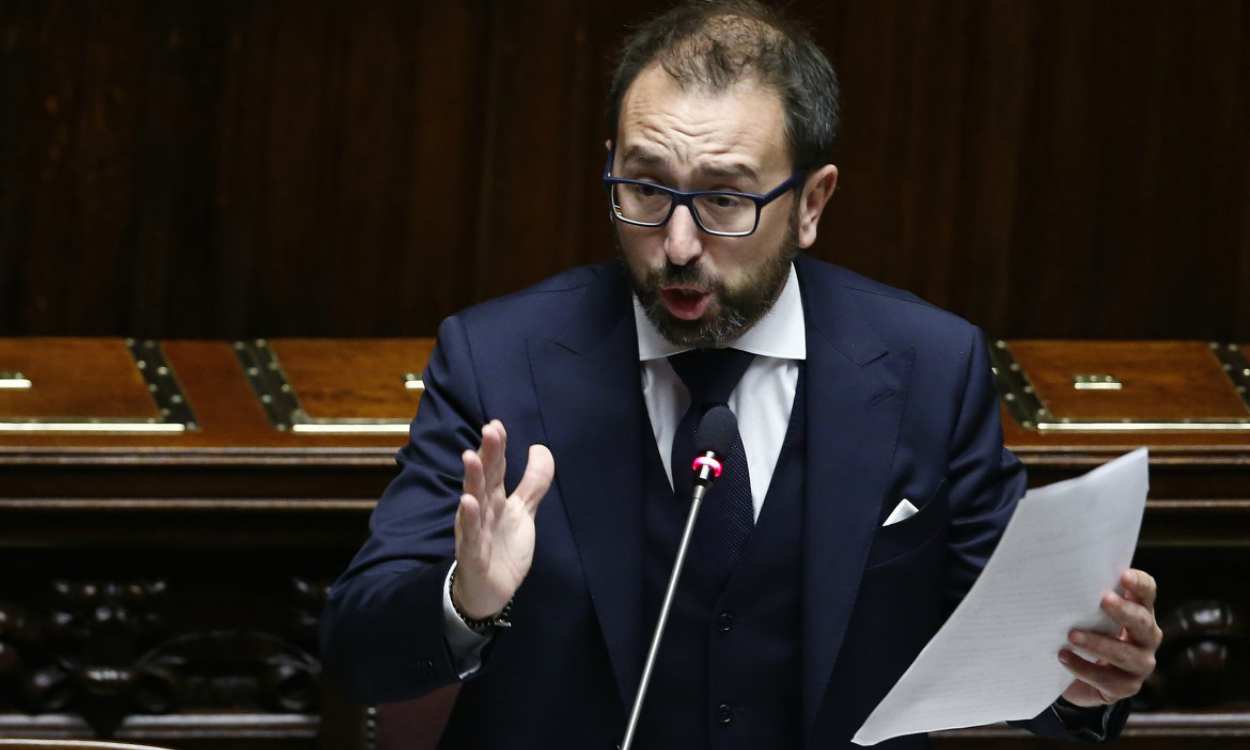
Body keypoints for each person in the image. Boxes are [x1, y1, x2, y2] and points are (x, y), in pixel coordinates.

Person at [321, 2, 1162, 747]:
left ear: (811, 203)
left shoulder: (930, 369)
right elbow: (356, 648)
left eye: (725, 200)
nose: (678, 245)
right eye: (645, 189)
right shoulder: (495, 358)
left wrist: (1088, 677)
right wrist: (464, 601)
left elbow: (1017, 647)